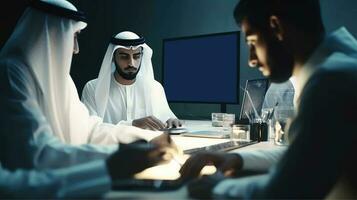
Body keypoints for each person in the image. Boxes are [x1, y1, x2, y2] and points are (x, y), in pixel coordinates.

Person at [180, 0, 357, 198]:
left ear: (276, 27)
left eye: (252, 42)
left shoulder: (331, 82)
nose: (251, 59)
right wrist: (238, 159)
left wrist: (216, 187)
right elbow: (310, 156)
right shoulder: (342, 65)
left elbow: (287, 191)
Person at [0, 0, 176, 174]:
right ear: (50, 34)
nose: (76, 49)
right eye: (73, 36)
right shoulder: (11, 73)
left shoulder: (63, 79)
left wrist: (148, 139)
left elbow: (89, 131)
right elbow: (40, 155)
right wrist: (129, 156)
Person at [81, 31, 182, 131]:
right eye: (124, 57)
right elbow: (90, 128)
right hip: (110, 147)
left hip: (150, 146)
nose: (131, 63)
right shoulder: (93, 88)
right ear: (112, 57)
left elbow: (166, 117)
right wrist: (132, 124)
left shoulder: (155, 88)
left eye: (136, 56)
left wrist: (172, 122)